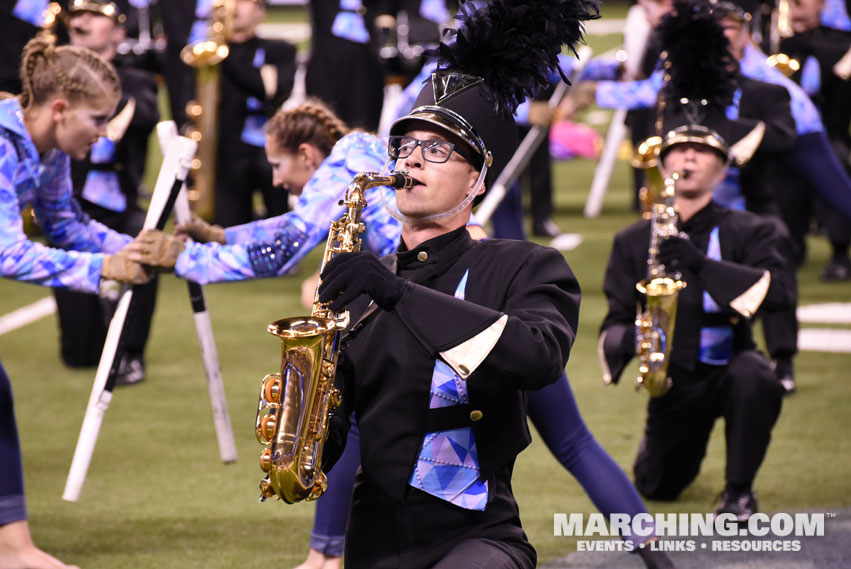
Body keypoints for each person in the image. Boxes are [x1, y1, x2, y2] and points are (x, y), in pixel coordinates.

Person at [0, 35, 149, 569]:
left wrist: (136, 248)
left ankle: (13, 550)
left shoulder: (51, 147)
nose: (105, 132)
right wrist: (102, 268)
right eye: (97, 118)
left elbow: (65, 223)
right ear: (60, 109)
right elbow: (7, 252)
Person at [599, 120, 793, 521]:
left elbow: (778, 296)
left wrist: (702, 265)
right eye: (678, 150)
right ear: (662, 164)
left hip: (730, 361)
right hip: (673, 377)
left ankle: (739, 491)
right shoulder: (633, 239)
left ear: (722, 171)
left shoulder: (751, 229)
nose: (688, 156)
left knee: (756, 378)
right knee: (659, 486)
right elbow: (615, 319)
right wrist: (637, 344)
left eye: (703, 151)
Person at [49, 0, 160, 385]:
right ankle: (100, 315)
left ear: (118, 32)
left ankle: (131, 350)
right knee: (80, 356)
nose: (80, 20)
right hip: (68, 207)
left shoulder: (137, 82)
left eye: (94, 15)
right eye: (77, 15)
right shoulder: (57, 79)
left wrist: (103, 90)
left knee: (146, 240)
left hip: (118, 204)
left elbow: (145, 117)